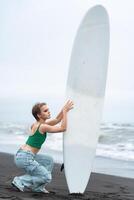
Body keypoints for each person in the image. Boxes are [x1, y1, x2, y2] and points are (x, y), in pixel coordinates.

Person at [12, 100, 74, 193]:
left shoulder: (37, 124)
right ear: (39, 115)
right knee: (46, 177)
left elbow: (57, 120)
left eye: (48, 109)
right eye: (45, 111)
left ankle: (38, 187)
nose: (49, 111)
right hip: (25, 157)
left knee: (48, 160)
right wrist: (65, 111)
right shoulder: (42, 127)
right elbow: (63, 128)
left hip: (22, 155)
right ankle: (20, 181)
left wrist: (64, 109)